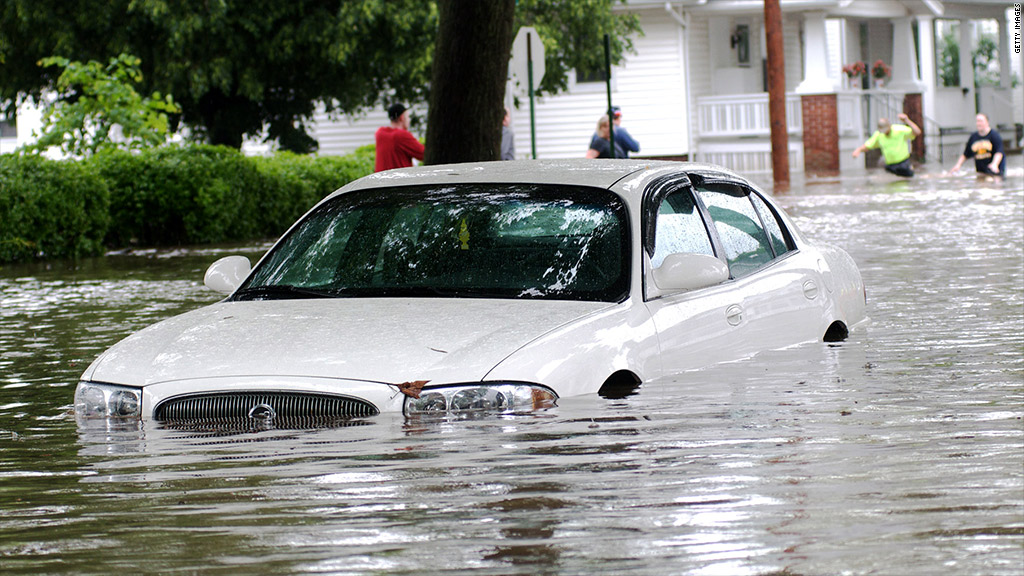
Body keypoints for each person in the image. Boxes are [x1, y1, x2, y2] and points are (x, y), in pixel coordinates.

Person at [852, 113, 921, 177]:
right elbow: (868, 145)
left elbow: (917, 132)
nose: (884, 133)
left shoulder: (899, 130)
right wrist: (858, 150)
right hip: (890, 165)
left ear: (889, 126)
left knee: (909, 179)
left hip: (903, 163)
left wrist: (907, 120)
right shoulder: (879, 135)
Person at [948, 113, 1006, 178]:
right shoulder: (973, 137)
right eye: (977, 121)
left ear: (987, 122)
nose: (978, 123)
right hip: (981, 172)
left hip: (994, 171)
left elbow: (999, 152)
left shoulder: (994, 136)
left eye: (980, 121)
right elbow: (966, 154)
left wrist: (995, 164)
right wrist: (958, 165)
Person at [375, 103, 425, 172]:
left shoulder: (380, 134)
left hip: (381, 180)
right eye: (408, 117)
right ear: (402, 117)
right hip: (400, 180)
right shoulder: (402, 135)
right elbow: (424, 154)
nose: (409, 120)